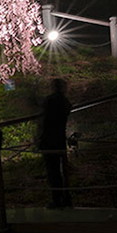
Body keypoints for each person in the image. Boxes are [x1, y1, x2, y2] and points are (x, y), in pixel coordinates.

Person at [38, 78, 73, 209]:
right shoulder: (65, 102)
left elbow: (44, 120)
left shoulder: (49, 101)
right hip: (60, 139)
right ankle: (66, 198)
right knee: (62, 170)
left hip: (49, 140)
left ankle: (57, 199)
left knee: (53, 171)